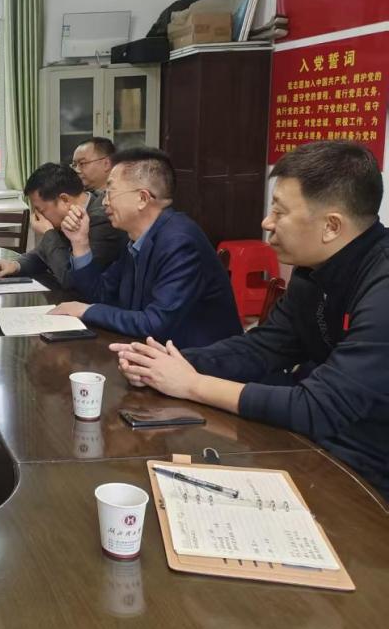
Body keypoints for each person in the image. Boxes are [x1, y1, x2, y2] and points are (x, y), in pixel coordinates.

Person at [110, 141, 389, 500]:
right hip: (320, 445)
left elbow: (318, 407)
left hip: (370, 471)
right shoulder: (314, 268)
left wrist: (193, 384)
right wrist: (166, 364)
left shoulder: (381, 284)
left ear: (331, 226)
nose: (266, 222)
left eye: (280, 211)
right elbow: (265, 345)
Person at [49, 147, 241, 347]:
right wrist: (80, 242)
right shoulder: (136, 238)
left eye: (110, 192)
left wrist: (87, 311)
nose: (104, 202)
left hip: (199, 358)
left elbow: (155, 323)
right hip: (151, 349)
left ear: (142, 198)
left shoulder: (179, 242)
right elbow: (100, 293)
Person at [0, 163, 125, 288]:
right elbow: (42, 255)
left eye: (40, 210)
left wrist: (48, 232)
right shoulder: (67, 215)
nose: (37, 216)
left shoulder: (102, 221)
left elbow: (70, 279)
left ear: (64, 199)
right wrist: (15, 265)